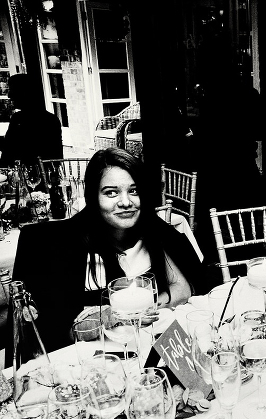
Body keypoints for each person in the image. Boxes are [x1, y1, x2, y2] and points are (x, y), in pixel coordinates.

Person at [11, 146, 205, 354]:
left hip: (148, 351)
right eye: (111, 193)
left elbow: (183, 289)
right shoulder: (64, 246)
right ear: (93, 197)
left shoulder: (153, 229)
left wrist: (144, 311)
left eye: (134, 191)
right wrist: (112, 316)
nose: (125, 202)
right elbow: (63, 332)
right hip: (92, 361)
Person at [0, 73, 62, 165]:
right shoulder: (17, 118)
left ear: (25, 93)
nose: (9, 95)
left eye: (13, 90)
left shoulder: (47, 121)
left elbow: (24, 151)